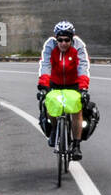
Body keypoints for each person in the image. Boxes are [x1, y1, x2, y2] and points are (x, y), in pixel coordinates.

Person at [37, 20, 91, 160]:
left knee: (76, 110)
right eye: (60, 40)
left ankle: (76, 145)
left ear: (71, 38)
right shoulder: (50, 45)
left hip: (73, 84)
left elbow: (83, 67)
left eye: (67, 40)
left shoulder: (78, 46)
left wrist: (83, 88)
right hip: (55, 83)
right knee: (50, 104)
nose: (63, 43)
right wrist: (43, 86)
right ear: (56, 39)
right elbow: (46, 65)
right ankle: (55, 129)